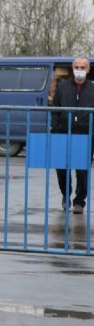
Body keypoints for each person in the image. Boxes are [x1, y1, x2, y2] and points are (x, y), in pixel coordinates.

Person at [52, 56, 94, 214]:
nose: (80, 70)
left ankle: (79, 201)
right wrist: (55, 129)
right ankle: (65, 194)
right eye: (77, 67)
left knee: (82, 170)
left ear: (88, 70)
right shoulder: (63, 87)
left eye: (83, 67)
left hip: (85, 135)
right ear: (72, 68)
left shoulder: (92, 88)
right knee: (61, 168)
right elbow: (55, 108)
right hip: (63, 134)